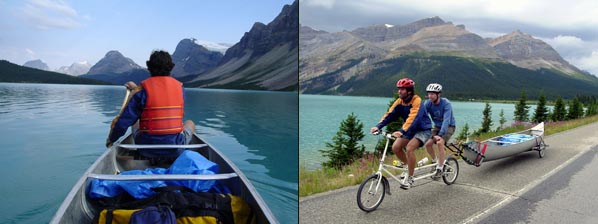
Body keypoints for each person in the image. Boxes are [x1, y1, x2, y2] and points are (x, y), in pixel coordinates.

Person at [106, 50, 195, 160]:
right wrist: (136, 89)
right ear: (171, 67)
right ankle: (183, 153)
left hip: (146, 149)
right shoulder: (180, 89)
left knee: (135, 123)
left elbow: (123, 123)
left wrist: (111, 140)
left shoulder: (141, 91)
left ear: (149, 66)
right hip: (175, 148)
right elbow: (161, 95)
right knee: (189, 123)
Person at [370, 78, 432, 190]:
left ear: (409, 91)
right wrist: (378, 126)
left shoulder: (417, 101)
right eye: (399, 89)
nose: (399, 92)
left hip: (423, 130)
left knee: (409, 148)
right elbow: (389, 114)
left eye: (402, 89)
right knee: (396, 147)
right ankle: (409, 166)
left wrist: (401, 131)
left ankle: (411, 177)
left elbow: (413, 119)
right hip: (409, 130)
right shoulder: (399, 101)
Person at [423, 83, 456, 180]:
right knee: (428, 144)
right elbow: (423, 116)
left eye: (433, 94)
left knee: (440, 143)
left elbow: (446, 120)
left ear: (438, 94)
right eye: (429, 94)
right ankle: (435, 161)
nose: (430, 96)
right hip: (437, 126)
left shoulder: (446, 104)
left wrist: (440, 135)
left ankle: (440, 168)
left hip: (449, 126)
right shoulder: (428, 103)